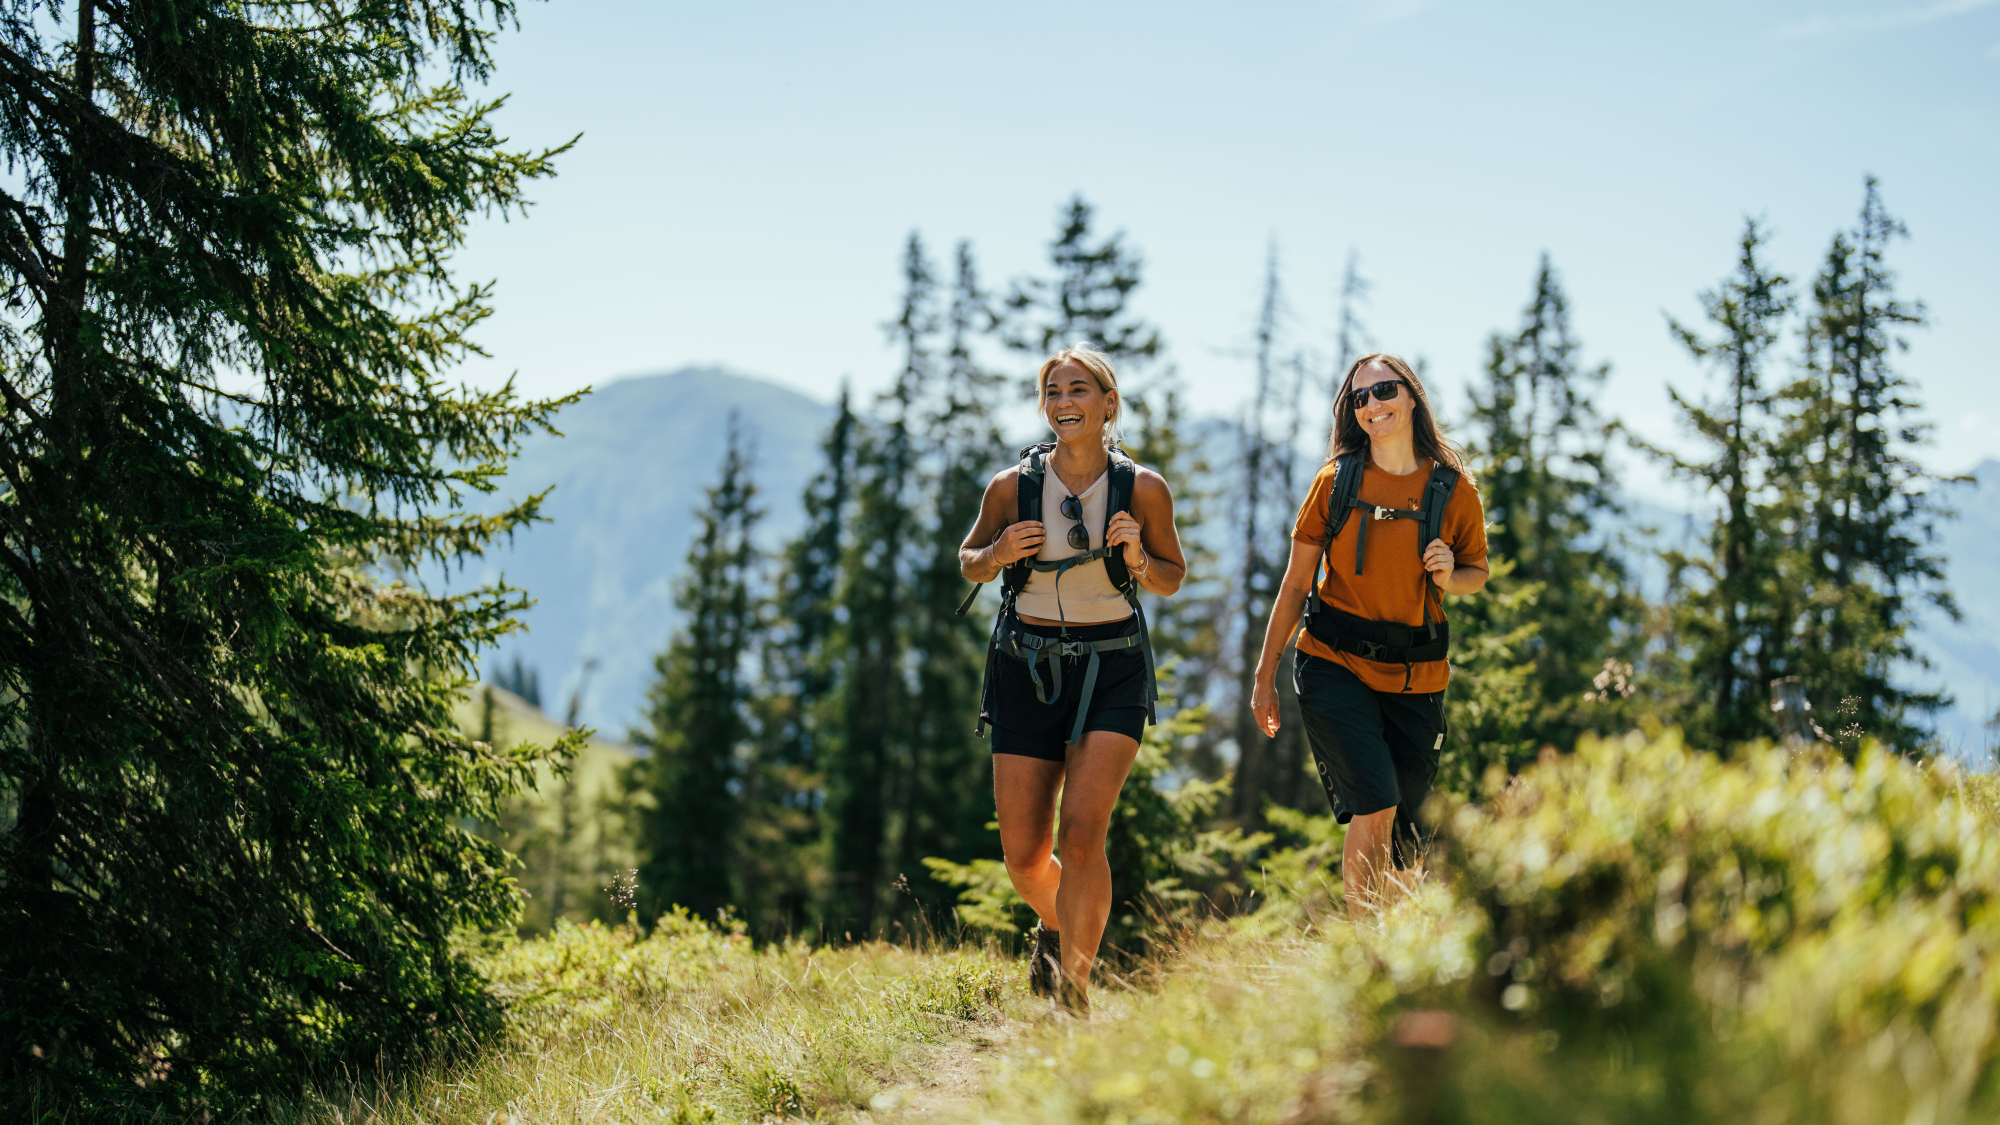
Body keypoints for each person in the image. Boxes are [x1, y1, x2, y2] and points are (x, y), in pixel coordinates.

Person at [958, 344, 1186, 1014]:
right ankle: (1059, 924)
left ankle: (1072, 993)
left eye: (1078, 389)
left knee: (1084, 833)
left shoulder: (1143, 489)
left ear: (1108, 403)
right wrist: (998, 551)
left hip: (1113, 667)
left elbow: (1171, 577)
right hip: (1025, 667)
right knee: (1025, 858)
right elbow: (969, 560)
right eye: (1053, 392)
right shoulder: (1011, 486)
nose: (1064, 403)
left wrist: (1137, 555)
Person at [1250, 353, 1488, 914]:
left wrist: (1450, 576)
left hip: (1416, 677)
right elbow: (1295, 584)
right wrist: (1265, 676)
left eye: (1384, 391)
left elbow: (1477, 572)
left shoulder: (1453, 490)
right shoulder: (1335, 482)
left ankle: (1398, 945)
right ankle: (1363, 947)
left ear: (1412, 397)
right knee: (1376, 802)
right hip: (1333, 662)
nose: (1371, 405)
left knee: (1408, 831)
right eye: (1359, 397)